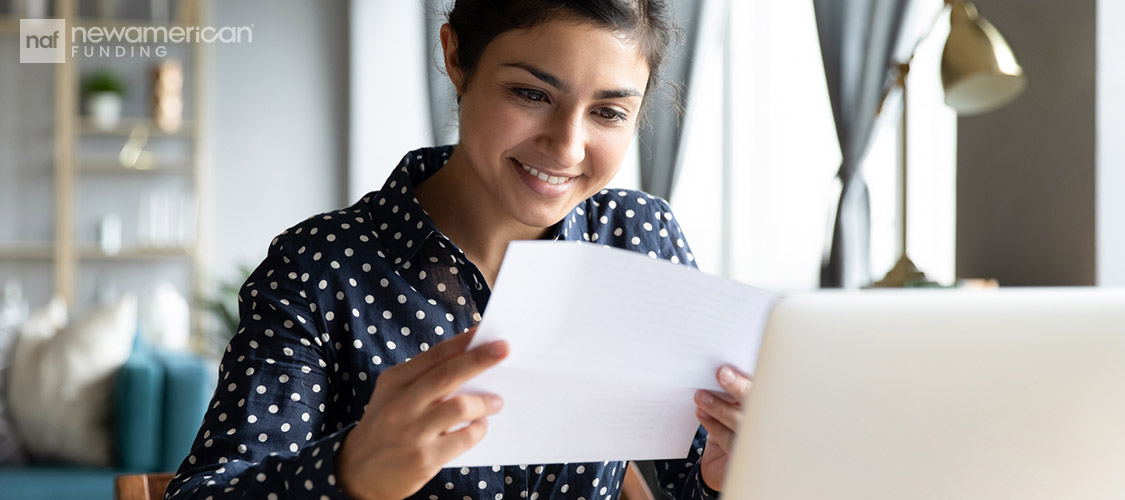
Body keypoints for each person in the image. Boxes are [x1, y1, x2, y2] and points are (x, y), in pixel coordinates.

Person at [166, 1, 752, 498]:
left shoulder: (638, 240)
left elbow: (690, 480)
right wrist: (349, 471)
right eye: (531, 93)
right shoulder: (317, 267)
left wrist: (732, 475)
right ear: (456, 58)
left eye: (608, 112)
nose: (568, 147)